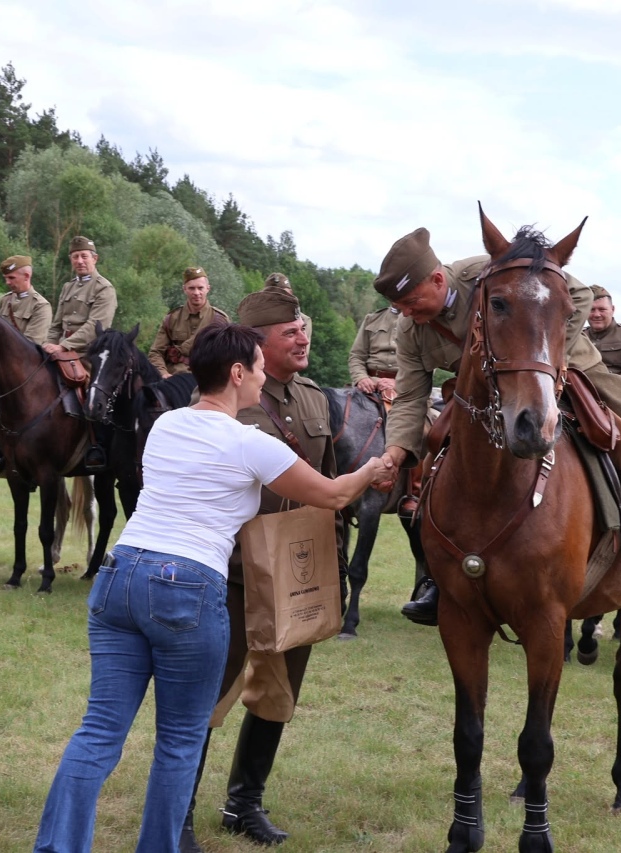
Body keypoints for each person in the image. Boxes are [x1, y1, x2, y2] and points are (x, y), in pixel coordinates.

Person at [32, 322, 388, 853]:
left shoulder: (164, 427)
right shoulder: (250, 442)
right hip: (187, 586)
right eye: (260, 368)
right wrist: (375, 469)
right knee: (178, 740)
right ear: (239, 373)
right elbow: (332, 495)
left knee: (99, 731)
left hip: (118, 576)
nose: (264, 375)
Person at [374, 227, 621, 625]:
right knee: (438, 446)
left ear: (437, 279)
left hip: (571, 367)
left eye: (410, 301)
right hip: (486, 394)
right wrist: (394, 452)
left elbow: (578, 294)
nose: (406, 313)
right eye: (399, 306)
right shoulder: (411, 330)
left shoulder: (487, 270)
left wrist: (548, 349)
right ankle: (442, 579)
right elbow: (408, 397)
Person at [177, 286, 361, 853]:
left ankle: (244, 802)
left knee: (280, 690)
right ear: (257, 345)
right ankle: (177, 814)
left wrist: (333, 560)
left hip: (297, 570)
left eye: (303, 326)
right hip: (232, 569)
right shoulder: (223, 399)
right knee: (208, 694)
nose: (303, 337)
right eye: (290, 332)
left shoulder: (314, 398)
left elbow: (328, 480)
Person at [148, 266, 229, 376]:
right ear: (184, 289)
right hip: (173, 379)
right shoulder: (172, 318)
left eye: (200, 288)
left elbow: (227, 357)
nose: (196, 292)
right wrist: (163, 374)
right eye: (191, 288)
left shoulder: (219, 320)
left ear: (208, 289)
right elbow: (156, 352)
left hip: (205, 381)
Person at [44, 235, 117, 356]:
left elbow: (95, 326)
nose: (79, 261)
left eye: (84, 256)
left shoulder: (104, 288)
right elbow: (56, 326)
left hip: (88, 354)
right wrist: (47, 346)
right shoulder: (68, 287)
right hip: (62, 350)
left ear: (94, 259)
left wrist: (64, 346)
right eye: (75, 257)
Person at [348, 305, 400, 403]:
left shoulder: (420, 320)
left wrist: (399, 383)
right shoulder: (372, 319)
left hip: (406, 387)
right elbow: (356, 356)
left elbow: (427, 364)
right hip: (370, 384)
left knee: (423, 415)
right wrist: (361, 378)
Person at [0, 255, 52, 345]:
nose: (7, 282)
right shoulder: (5, 300)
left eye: (11, 278)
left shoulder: (40, 305)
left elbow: (31, 344)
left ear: (26, 276)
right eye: (5, 278)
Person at [262, 272, 311, 340]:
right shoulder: (257, 320)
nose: (277, 299)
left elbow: (303, 348)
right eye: (273, 295)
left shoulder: (303, 321)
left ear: (291, 293)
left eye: (283, 294)